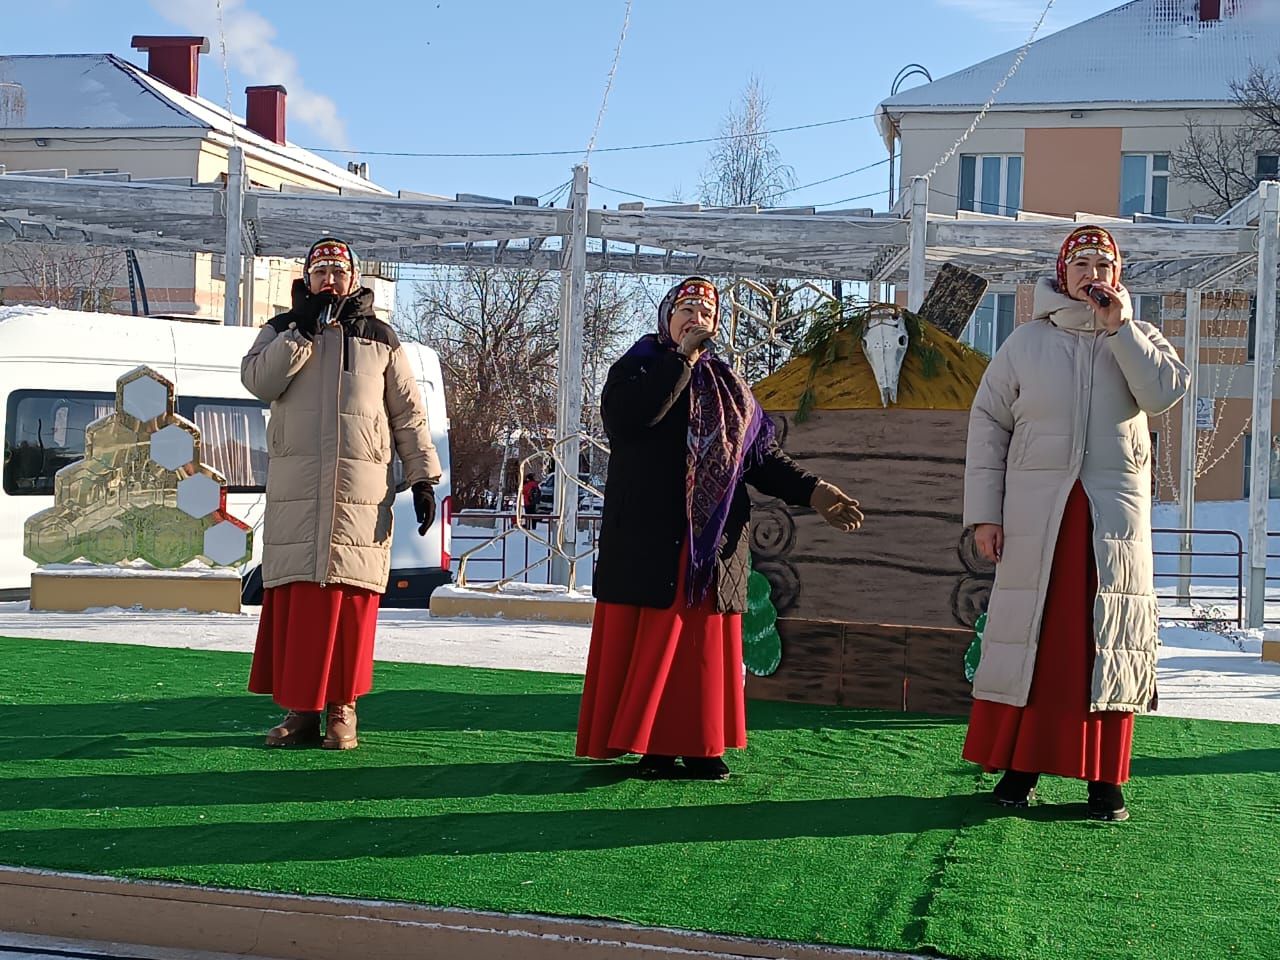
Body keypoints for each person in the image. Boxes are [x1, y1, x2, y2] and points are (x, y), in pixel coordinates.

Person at [576, 277, 863, 780]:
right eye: (685, 308)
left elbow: (761, 459)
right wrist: (680, 361)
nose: (695, 318)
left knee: (703, 650)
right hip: (651, 538)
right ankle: (655, 748)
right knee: (657, 643)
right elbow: (631, 419)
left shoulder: (730, 386)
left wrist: (815, 491)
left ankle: (704, 746)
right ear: (667, 318)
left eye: (705, 311)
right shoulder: (639, 364)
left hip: (712, 545)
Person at [962, 226, 1189, 821]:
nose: (1092, 273)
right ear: (1061, 274)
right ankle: (1021, 766)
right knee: (1036, 640)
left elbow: (1164, 394)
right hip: (1041, 518)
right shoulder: (1025, 343)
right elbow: (988, 425)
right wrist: (985, 514)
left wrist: (1121, 330)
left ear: (1117, 276)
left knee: (1106, 640)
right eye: (1081, 263)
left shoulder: (1140, 336)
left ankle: (1104, 779)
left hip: (1111, 522)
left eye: (1103, 263)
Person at [242, 237, 442, 750]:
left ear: (355, 278)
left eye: (338, 270)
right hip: (298, 497)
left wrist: (422, 478)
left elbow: (408, 416)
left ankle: (342, 709)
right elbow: (258, 382)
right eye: (320, 271)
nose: (330, 279)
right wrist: (303, 330)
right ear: (306, 278)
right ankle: (301, 711)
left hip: (360, 494)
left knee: (349, 606)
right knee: (302, 604)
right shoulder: (283, 330)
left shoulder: (381, 338)